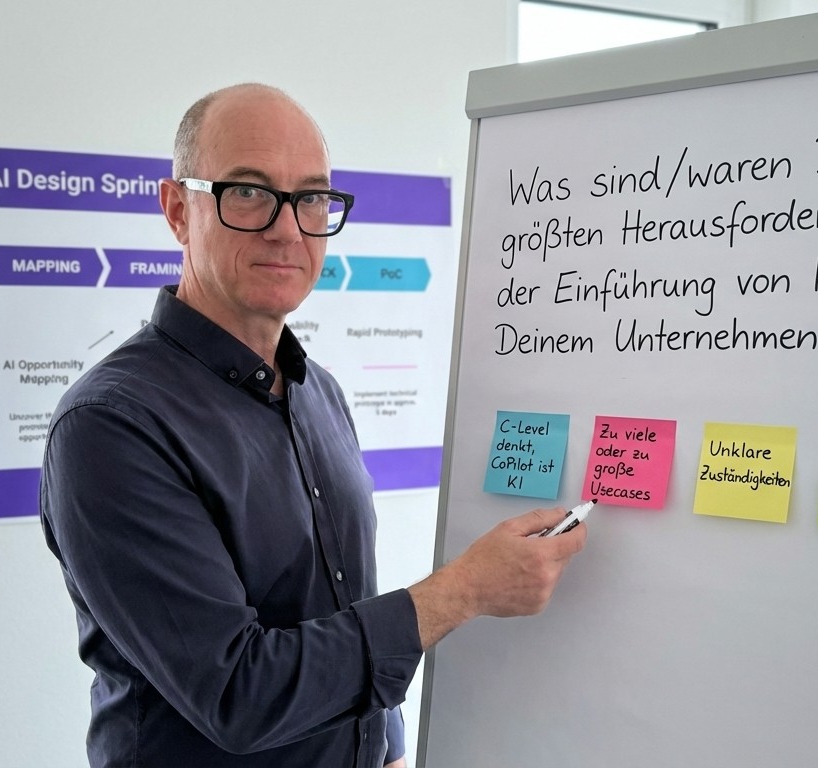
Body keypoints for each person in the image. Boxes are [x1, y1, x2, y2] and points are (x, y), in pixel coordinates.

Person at [40, 82, 587, 768]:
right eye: (248, 191)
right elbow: (237, 693)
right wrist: (464, 590)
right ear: (179, 210)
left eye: (311, 198)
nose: (288, 228)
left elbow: (345, 604)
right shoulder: (111, 426)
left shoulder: (318, 392)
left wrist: (386, 748)